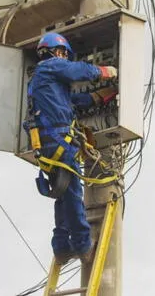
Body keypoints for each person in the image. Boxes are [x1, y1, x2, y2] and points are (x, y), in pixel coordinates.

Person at [24, 32, 117, 265]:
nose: (64, 58)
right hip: (58, 142)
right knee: (73, 194)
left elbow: (73, 103)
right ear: (58, 52)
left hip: (49, 143)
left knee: (64, 194)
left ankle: (62, 248)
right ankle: (82, 244)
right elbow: (79, 72)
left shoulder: (43, 81)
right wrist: (105, 72)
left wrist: (101, 96)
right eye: (64, 54)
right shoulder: (50, 67)